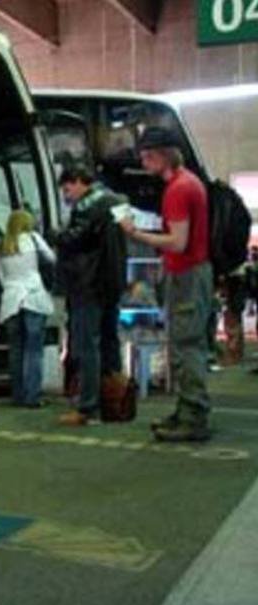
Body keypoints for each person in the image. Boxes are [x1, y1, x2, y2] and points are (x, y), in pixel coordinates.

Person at [120, 127, 212, 442]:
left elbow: (177, 241)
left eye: (147, 157)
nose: (144, 164)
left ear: (163, 154)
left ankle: (193, 416)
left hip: (187, 275)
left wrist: (135, 234)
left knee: (186, 348)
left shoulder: (178, 189)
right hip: (188, 272)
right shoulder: (189, 184)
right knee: (184, 346)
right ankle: (186, 410)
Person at [53, 165, 128, 427]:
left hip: (88, 284)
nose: (67, 195)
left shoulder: (87, 206)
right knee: (110, 344)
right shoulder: (118, 201)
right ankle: (115, 403)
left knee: (87, 346)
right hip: (113, 283)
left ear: (77, 181)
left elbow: (74, 240)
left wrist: (56, 235)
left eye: (67, 189)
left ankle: (87, 407)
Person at [0, 210, 56, 409]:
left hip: (11, 300)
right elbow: (52, 258)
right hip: (33, 297)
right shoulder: (34, 238)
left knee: (16, 350)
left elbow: (1, 276)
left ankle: (18, 395)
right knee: (34, 350)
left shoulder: (2, 244)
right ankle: (33, 396)